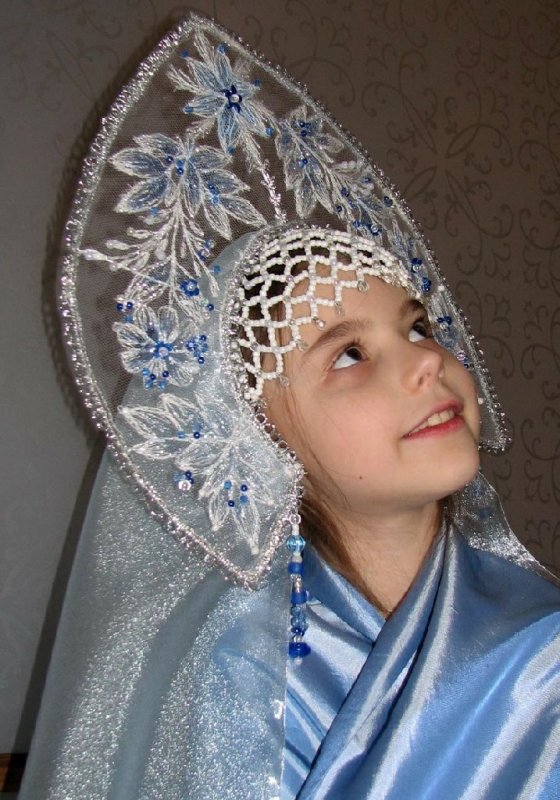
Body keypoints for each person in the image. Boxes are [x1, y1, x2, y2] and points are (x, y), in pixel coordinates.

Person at [19, 12, 560, 800]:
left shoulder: (541, 648)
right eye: (349, 354)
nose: (425, 361)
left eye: (418, 326)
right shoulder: (233, 674)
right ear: (254, 434)